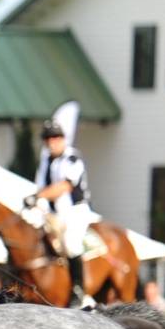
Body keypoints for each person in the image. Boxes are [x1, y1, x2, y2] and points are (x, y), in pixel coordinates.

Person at [32, 118, 96, 306]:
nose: (51, 142)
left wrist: (39, 196)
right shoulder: (46, 162)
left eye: (55, 137)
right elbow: (41, 188)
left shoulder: (72, 158)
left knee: (71, 244)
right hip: (55, 213)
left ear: (62, 139)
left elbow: (64, 186)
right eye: (48, 138)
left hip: (76, 211)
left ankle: (78, 288)